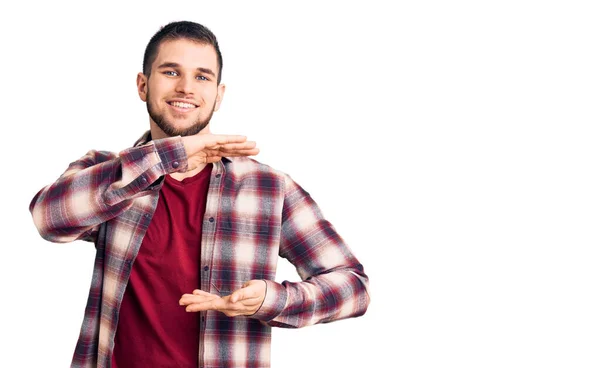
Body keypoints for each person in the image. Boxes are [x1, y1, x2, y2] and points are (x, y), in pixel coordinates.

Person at [29, 20, 370, 368]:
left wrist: (273, 299)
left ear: (218, 96)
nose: (186, 88)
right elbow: (49, 219)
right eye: (171, 72)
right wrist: (171, 153)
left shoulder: (269, 189)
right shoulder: (108, 174)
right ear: (143, 85)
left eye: (202, 76)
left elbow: (354, 288)